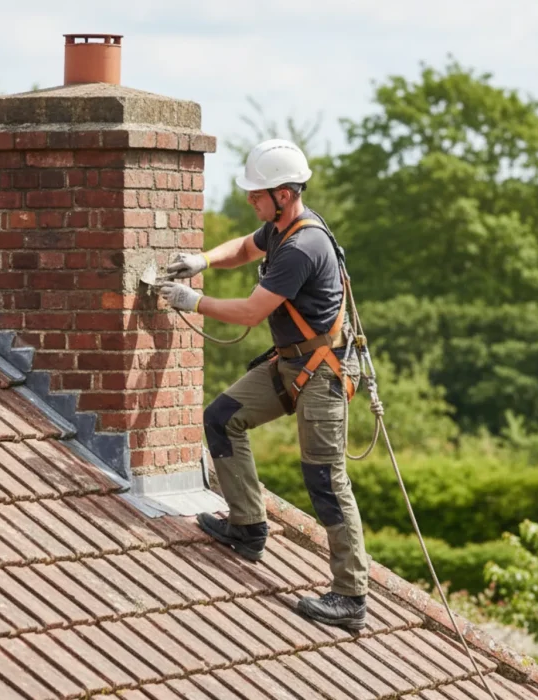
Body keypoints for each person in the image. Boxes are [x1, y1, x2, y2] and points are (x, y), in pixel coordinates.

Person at [158, 139, 370, 630]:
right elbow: (243, 248)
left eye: (257, 193)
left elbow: (253, 310)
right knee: (221, 419)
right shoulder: (280, 228)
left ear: (284, 193)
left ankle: (350, 596)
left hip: (322, 372)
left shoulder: (302, 245)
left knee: (325, 479)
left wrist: (194, 302)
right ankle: (248, 525)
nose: (250, 199)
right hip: (292, 363)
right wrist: (203, 261)